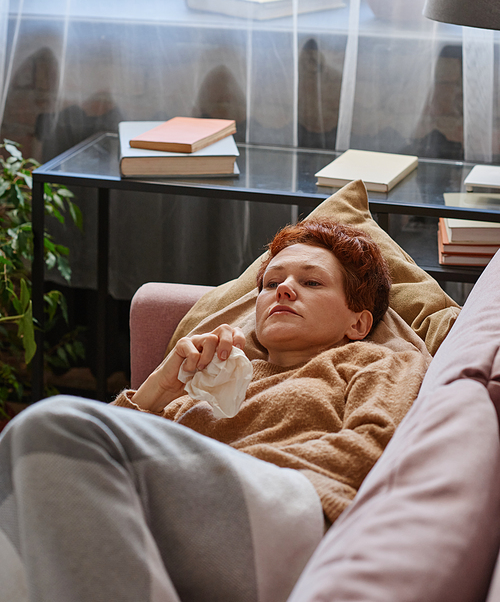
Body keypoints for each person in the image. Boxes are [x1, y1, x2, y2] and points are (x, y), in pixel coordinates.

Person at [0, 219, 430, 602]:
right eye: (270, 283)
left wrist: (228, 464)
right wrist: (159, 387)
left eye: (312, 283)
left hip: (296, 509)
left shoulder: (378, 361)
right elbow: (96, 462)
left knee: (48, 424)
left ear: (358, 322)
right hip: (191, 515)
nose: (282, 289)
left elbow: (375, 449)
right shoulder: (217, 378)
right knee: (23, 465)